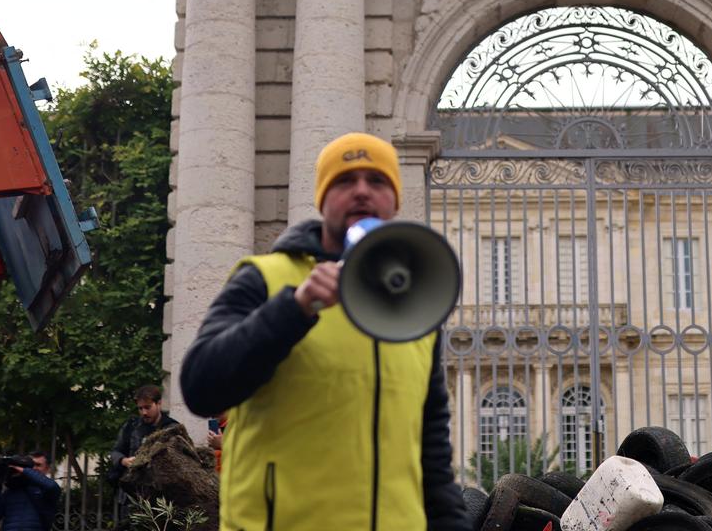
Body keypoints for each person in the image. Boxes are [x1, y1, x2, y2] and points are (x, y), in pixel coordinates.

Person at [180, 132, 466, 531]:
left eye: (377, 181)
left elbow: (433, 461)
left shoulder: (416, 313)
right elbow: (200, 386)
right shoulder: (264, 279)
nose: (362, 191)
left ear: (396, 200)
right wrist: (294, 308)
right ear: (322, 198)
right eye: (345, 181)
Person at [108, 385, 180, 483]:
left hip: (160, 486)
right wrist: (123, 461)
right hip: (130, 487)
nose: (144, 412)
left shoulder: (172, 428)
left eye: (147, 407)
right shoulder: (131, 426)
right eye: (140, 408)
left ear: (159, 403)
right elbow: (115, 452)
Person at [0, 451, 61, 531]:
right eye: (31, 464)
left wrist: (23, 470)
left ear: (47, 469)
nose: (33, 468)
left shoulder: (46, 491)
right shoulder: (10, 491)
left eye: (38, 465)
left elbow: (52, 486)